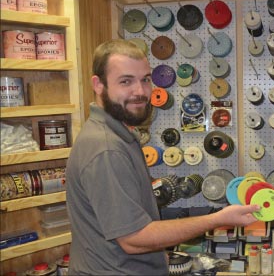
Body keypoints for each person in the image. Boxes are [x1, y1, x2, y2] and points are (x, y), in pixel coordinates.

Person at [66, 39, 259, 275]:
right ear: (98, 84)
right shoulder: (106, 148)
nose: (140, 91)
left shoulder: (121, 133)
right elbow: (134, 239)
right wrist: (216, 219)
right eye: (126, 81)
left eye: (145, 79)